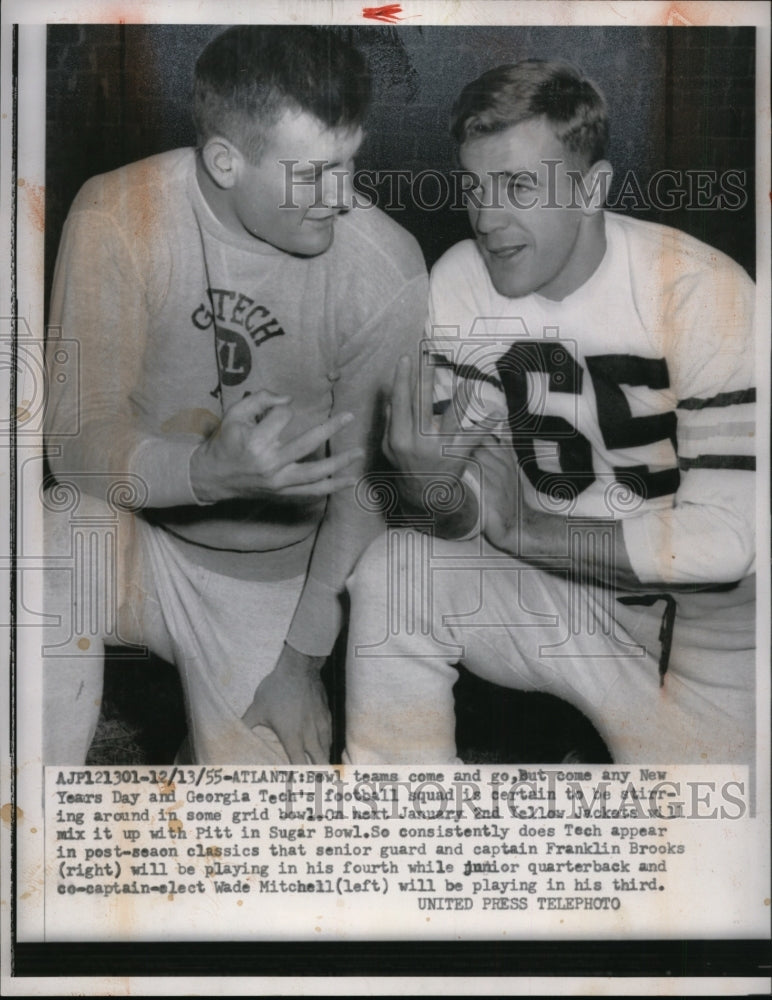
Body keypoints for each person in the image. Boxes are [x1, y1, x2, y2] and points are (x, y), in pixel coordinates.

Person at [344, 59, 756, 765]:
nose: (487, 217)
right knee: (395, 570)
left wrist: (526, 529)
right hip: (567, 598)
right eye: (474, 186)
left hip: (710, 631)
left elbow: (728, 543)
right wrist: (428, 487)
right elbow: (467, 516)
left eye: (519, 186)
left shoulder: (698, 290)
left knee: (706, 858)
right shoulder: (463, 283)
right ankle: (400, 837)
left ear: (592, 188)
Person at [43, 25, 428, 764]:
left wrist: (300, 664)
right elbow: (72, 442)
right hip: (138, 542)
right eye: (312, 174)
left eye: (349, 163)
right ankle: (29, 833)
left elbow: (366, 494)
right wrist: (207, 473)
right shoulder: (120, 215)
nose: (341, 197)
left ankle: (212, 737)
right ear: (225, 161)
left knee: (264, 849)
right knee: (47, 535)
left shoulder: (384, 268)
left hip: (275, 576)